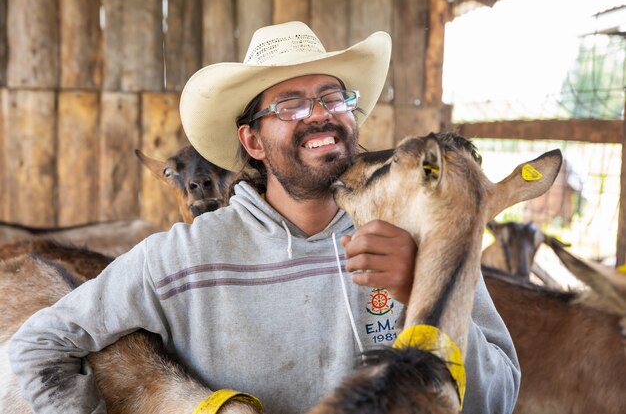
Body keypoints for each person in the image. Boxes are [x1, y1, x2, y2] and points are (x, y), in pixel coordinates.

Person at [9, 21, 520, 414]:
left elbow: (498, 397)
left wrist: (423, 288)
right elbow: (36, 347)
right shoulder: (183, 257)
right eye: (290, 104)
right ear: (251, 141)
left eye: (332, 97)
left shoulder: (421, 238)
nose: (319, 113)